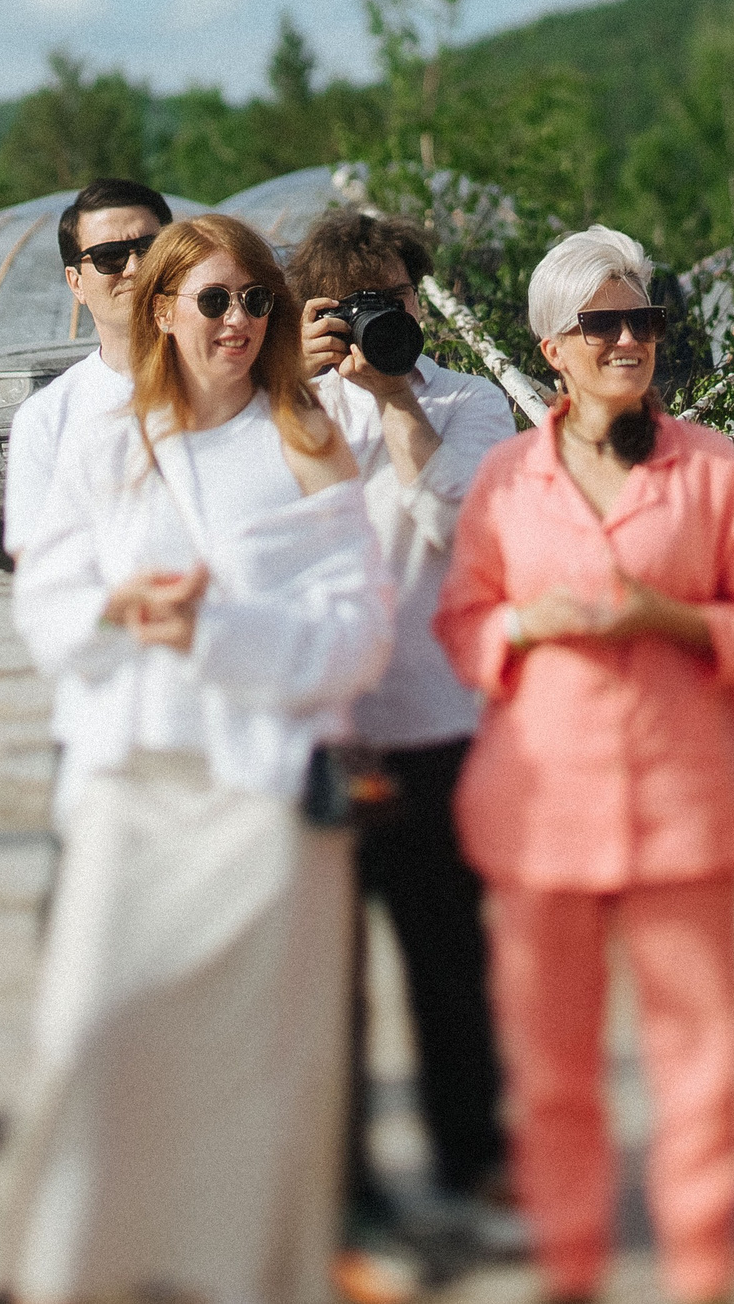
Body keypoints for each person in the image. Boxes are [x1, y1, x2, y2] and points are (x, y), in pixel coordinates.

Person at [0, 213, 393, 1304]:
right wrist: (123, 605)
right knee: (91, 1038)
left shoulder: (308, 436)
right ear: (159, 309)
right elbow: (47, 601)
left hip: (261, 800)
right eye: (214, 299)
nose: (238, 320)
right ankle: (75, 1270)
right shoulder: (102, 439)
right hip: (131, 785)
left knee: (254, 1080)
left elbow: (359, 631)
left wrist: (218, 632)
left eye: (256, 299)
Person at [432, 225, 734, 1304]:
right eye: (602, 324)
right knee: (553, 1081)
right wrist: (523, 626)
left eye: (640, 319)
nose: (628, 340)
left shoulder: (711, 466)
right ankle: (572, 1272)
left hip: (681, 812)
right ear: (554, 344)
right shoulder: (502, 479)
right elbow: (459, 627)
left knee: (700, 1074)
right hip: (539, 820)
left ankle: (699, 1277)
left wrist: (672, 618)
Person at [289, 209, 522, 1290]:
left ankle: (473, 1160)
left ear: (420, 298)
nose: (387, 320)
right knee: (327, 984)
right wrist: (301, 383)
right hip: (330, 733)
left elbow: (469, 530)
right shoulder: (280, 406)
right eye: (357, 306)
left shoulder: (464, 404)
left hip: (437, 726)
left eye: (398, 297)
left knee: (451, 961)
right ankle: (346, 1191)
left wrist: (394, 404)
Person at [1, 179, 172, 563]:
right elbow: (44, 576)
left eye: (150, 249)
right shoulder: (47, 420)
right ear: (76, 283)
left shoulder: (234, 385)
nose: (134, 268)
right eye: (109, 256)